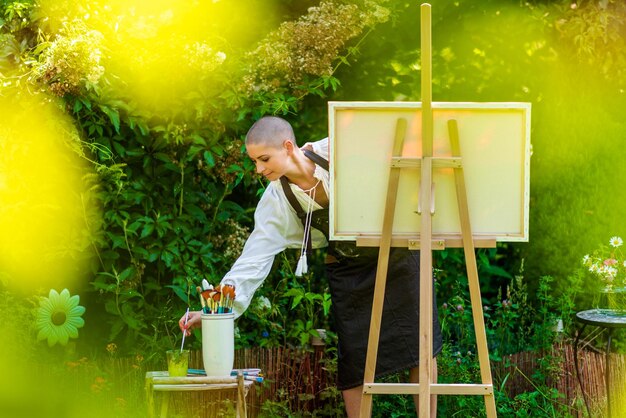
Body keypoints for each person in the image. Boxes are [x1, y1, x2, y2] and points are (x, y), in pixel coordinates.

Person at [179, 116, 442, 417]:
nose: (259, 169)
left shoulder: (337, 150)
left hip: (397, 255)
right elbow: (253, 258)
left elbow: (396, 158)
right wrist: (216, 309)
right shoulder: (277, 198)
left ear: (288, 146)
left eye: (264, 159)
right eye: (255, 162)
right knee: (354, 361)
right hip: (348, 269)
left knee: (420, 347)